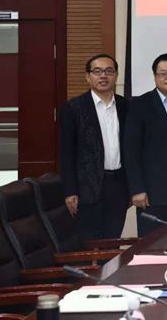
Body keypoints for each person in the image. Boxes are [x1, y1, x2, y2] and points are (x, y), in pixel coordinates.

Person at [123, 53, 167, 236]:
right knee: (152, 246)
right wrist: (137, 189)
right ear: (155, 76)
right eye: (163, 74)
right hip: (152, 195)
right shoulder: (139, 105)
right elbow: (131, 150)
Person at [59, 53, 128, 239]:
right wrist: (70, 191)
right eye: (97, 71)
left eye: (109, 71)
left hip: (119, 185)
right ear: (87, 77)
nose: (103, 76)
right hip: (86, 187)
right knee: (88, 242)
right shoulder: (73, 108)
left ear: (116, 76)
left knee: (113, 239)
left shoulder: (126, 106)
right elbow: (66, 153)